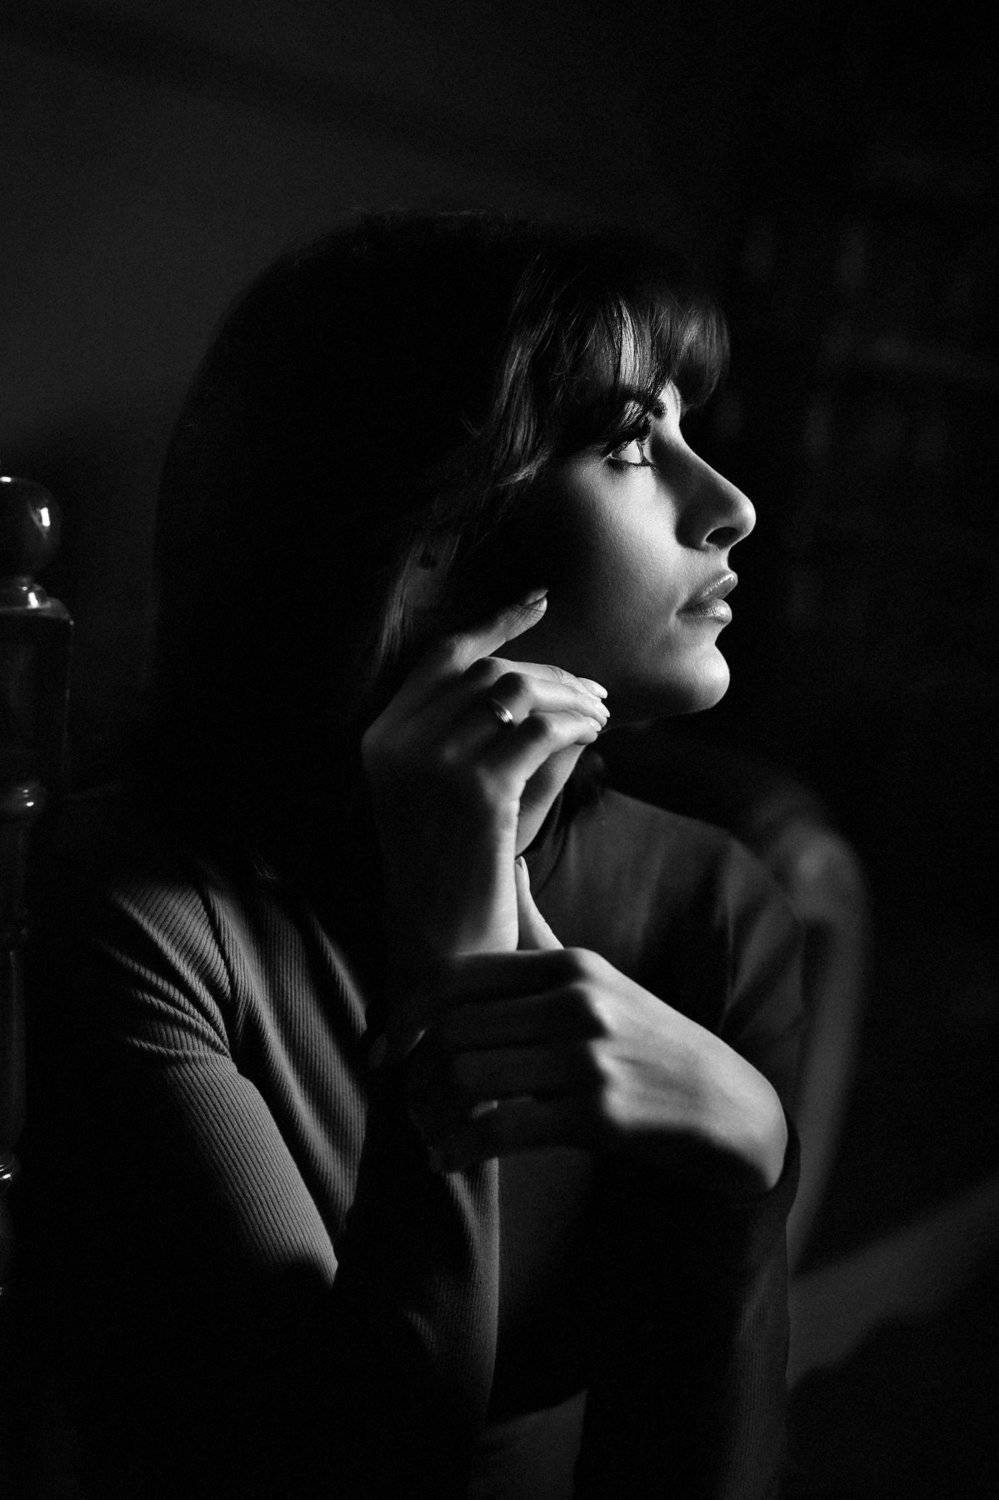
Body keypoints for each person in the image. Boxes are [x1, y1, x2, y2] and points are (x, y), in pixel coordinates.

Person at [26, 210, 802, 1498]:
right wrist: (451, 943)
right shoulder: (137, 908)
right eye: (628, 443)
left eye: (688, 430)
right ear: (428, 532)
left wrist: (749, 1159)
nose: (730, 505)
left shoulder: (714, 904)